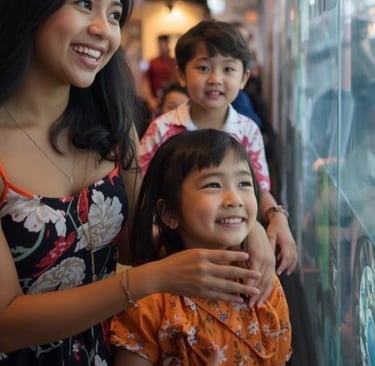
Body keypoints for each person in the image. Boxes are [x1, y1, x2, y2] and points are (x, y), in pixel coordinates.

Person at [0, 2, 276, 365]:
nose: (103, 29)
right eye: (85, 4)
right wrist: (147, 280)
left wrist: (247, 228)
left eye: (115, 14)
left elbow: (144, 241)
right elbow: (6, 323)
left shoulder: (113, 130)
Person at [110, 129, 292, 365]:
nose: (234, 198)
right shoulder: (149, 300)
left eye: (244, 183)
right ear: (169, 213)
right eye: (213, 185)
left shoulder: (262, 282)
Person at [139, 20, 298, 275]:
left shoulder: (247, 130)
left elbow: (260, 188)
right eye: (203, 68)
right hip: (173, 251)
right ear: (181, 74)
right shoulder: (162, 129)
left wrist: (277, 217)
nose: (215, 79)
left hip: (235, 248)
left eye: (228, 69)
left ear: (244, 77)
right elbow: (141, 188)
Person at [141, 34, 177, 115]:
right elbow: (145, 82)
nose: (162, 48)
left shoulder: (174, 63)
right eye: (160, 45)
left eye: (164, 44)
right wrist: (150, 100)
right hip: (155, 103)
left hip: (171, 103)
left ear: (168, 44)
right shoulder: (152, 62)